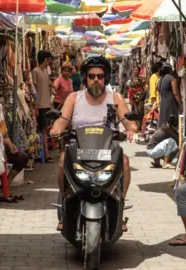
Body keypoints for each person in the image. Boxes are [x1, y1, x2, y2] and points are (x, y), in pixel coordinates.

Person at [50, 56, 138, 230]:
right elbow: (62, 120)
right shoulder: (74, 98)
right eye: (92, 76)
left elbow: (129, 121)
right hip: (79, 151)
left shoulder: (116, 98)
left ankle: (120, 206)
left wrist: (131, 128)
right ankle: (65, 203)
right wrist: (56, 129)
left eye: (100, 76)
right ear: (85, 78)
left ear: (106, 78)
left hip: (108, 151)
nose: (96, 80)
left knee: (125, 162)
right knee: (62, 160)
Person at [32, 51, 54, 163]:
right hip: (40, 105)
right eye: (49, 59)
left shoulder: (45, 71)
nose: (50, 62)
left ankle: (43, 153)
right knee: (43, 130)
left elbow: (49, 84)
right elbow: (33, 89)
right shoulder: (35, 71)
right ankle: (45, 154)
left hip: (46, 104)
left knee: (44, 130)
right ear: (45, 59)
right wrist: (35, 107)